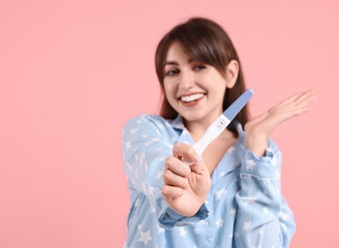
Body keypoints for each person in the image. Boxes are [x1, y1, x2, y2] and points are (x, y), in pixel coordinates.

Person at [122, 17, 315, 247]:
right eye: (173, 71)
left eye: (199, 67)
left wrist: (255, 143)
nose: (184, 83)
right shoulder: (145, 131)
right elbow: (158, 168)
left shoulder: (262, 157)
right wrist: (177, 193)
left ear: (230, 73)